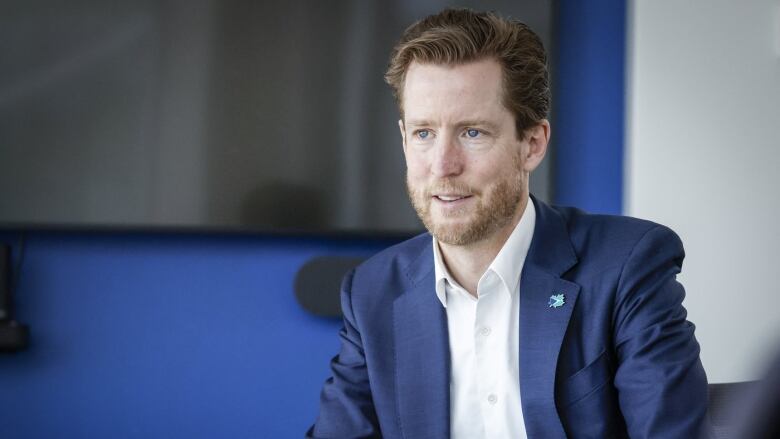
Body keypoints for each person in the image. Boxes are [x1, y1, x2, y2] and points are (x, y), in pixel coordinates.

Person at [308, 8, 707, 439]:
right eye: (424, 133)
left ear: (532, 144)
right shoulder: (372, 292)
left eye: (472, 133)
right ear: (404, 139)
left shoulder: (627, 266)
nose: (443, 165)